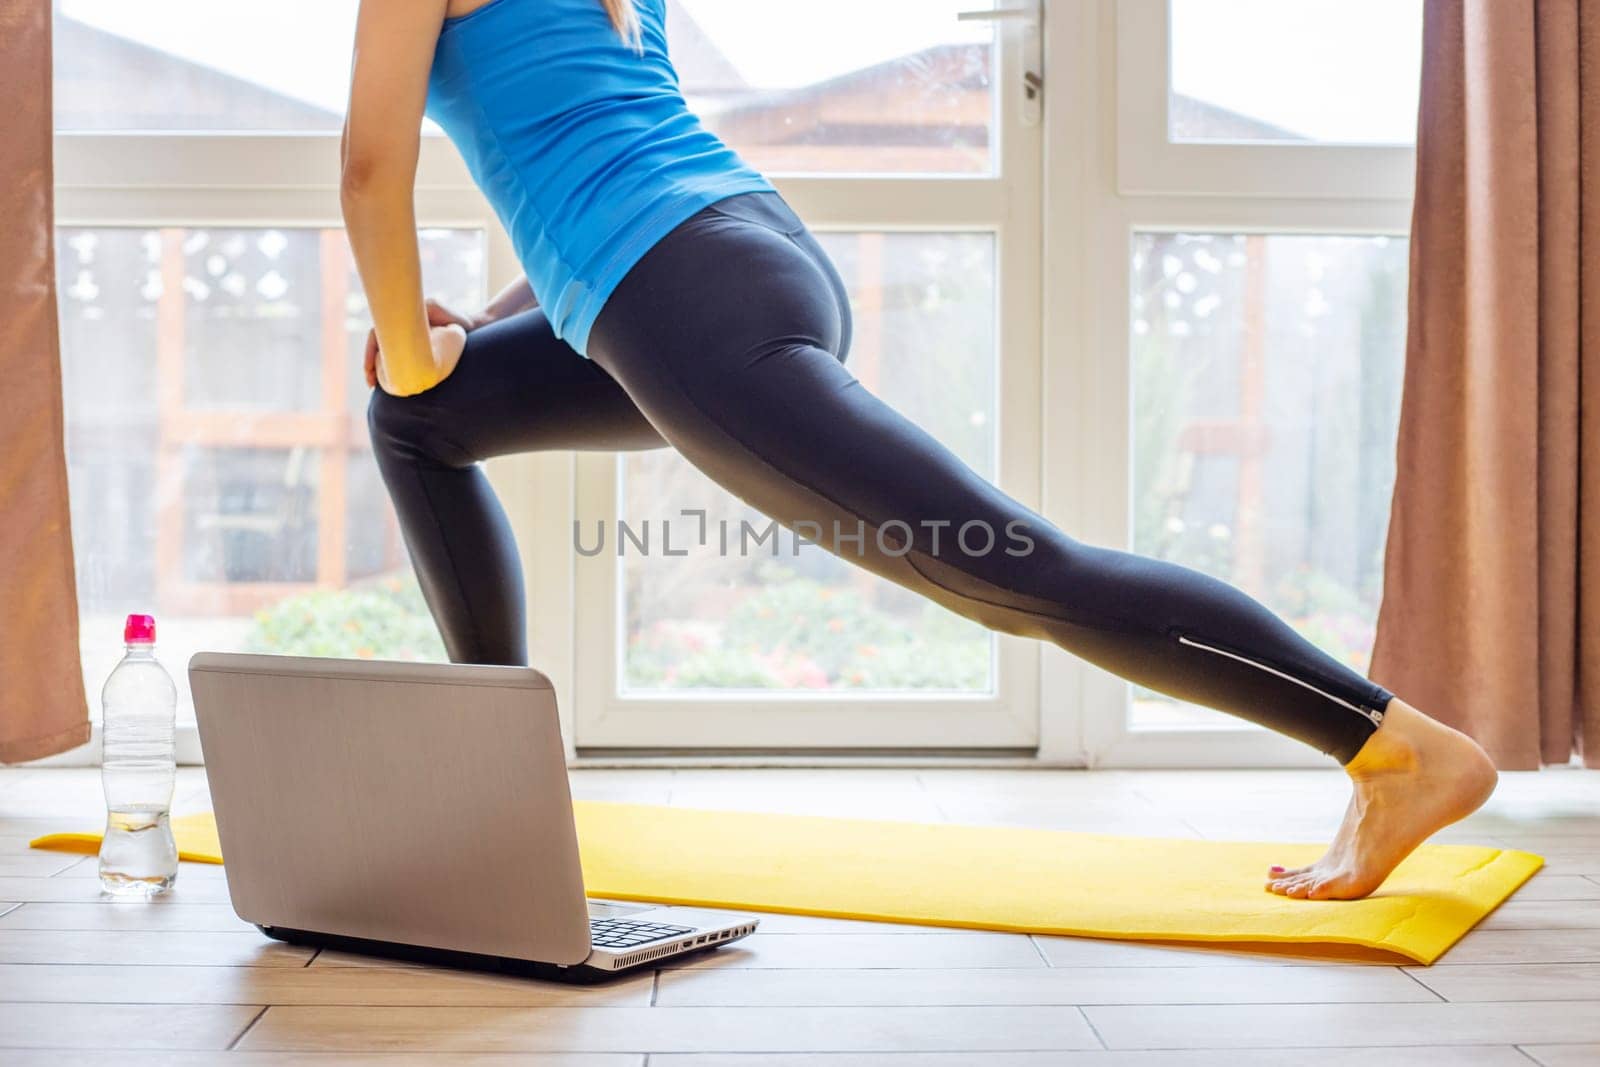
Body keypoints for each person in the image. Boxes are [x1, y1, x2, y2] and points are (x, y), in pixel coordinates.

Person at [342, 0, 1497, 901]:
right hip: (735, 255)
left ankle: (1394, 746)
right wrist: (461, 344)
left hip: (688, 307)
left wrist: (410, 342)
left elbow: (370, 170)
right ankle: (502, 796)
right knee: (421, 417)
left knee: (1011, 571)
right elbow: (594, 175)